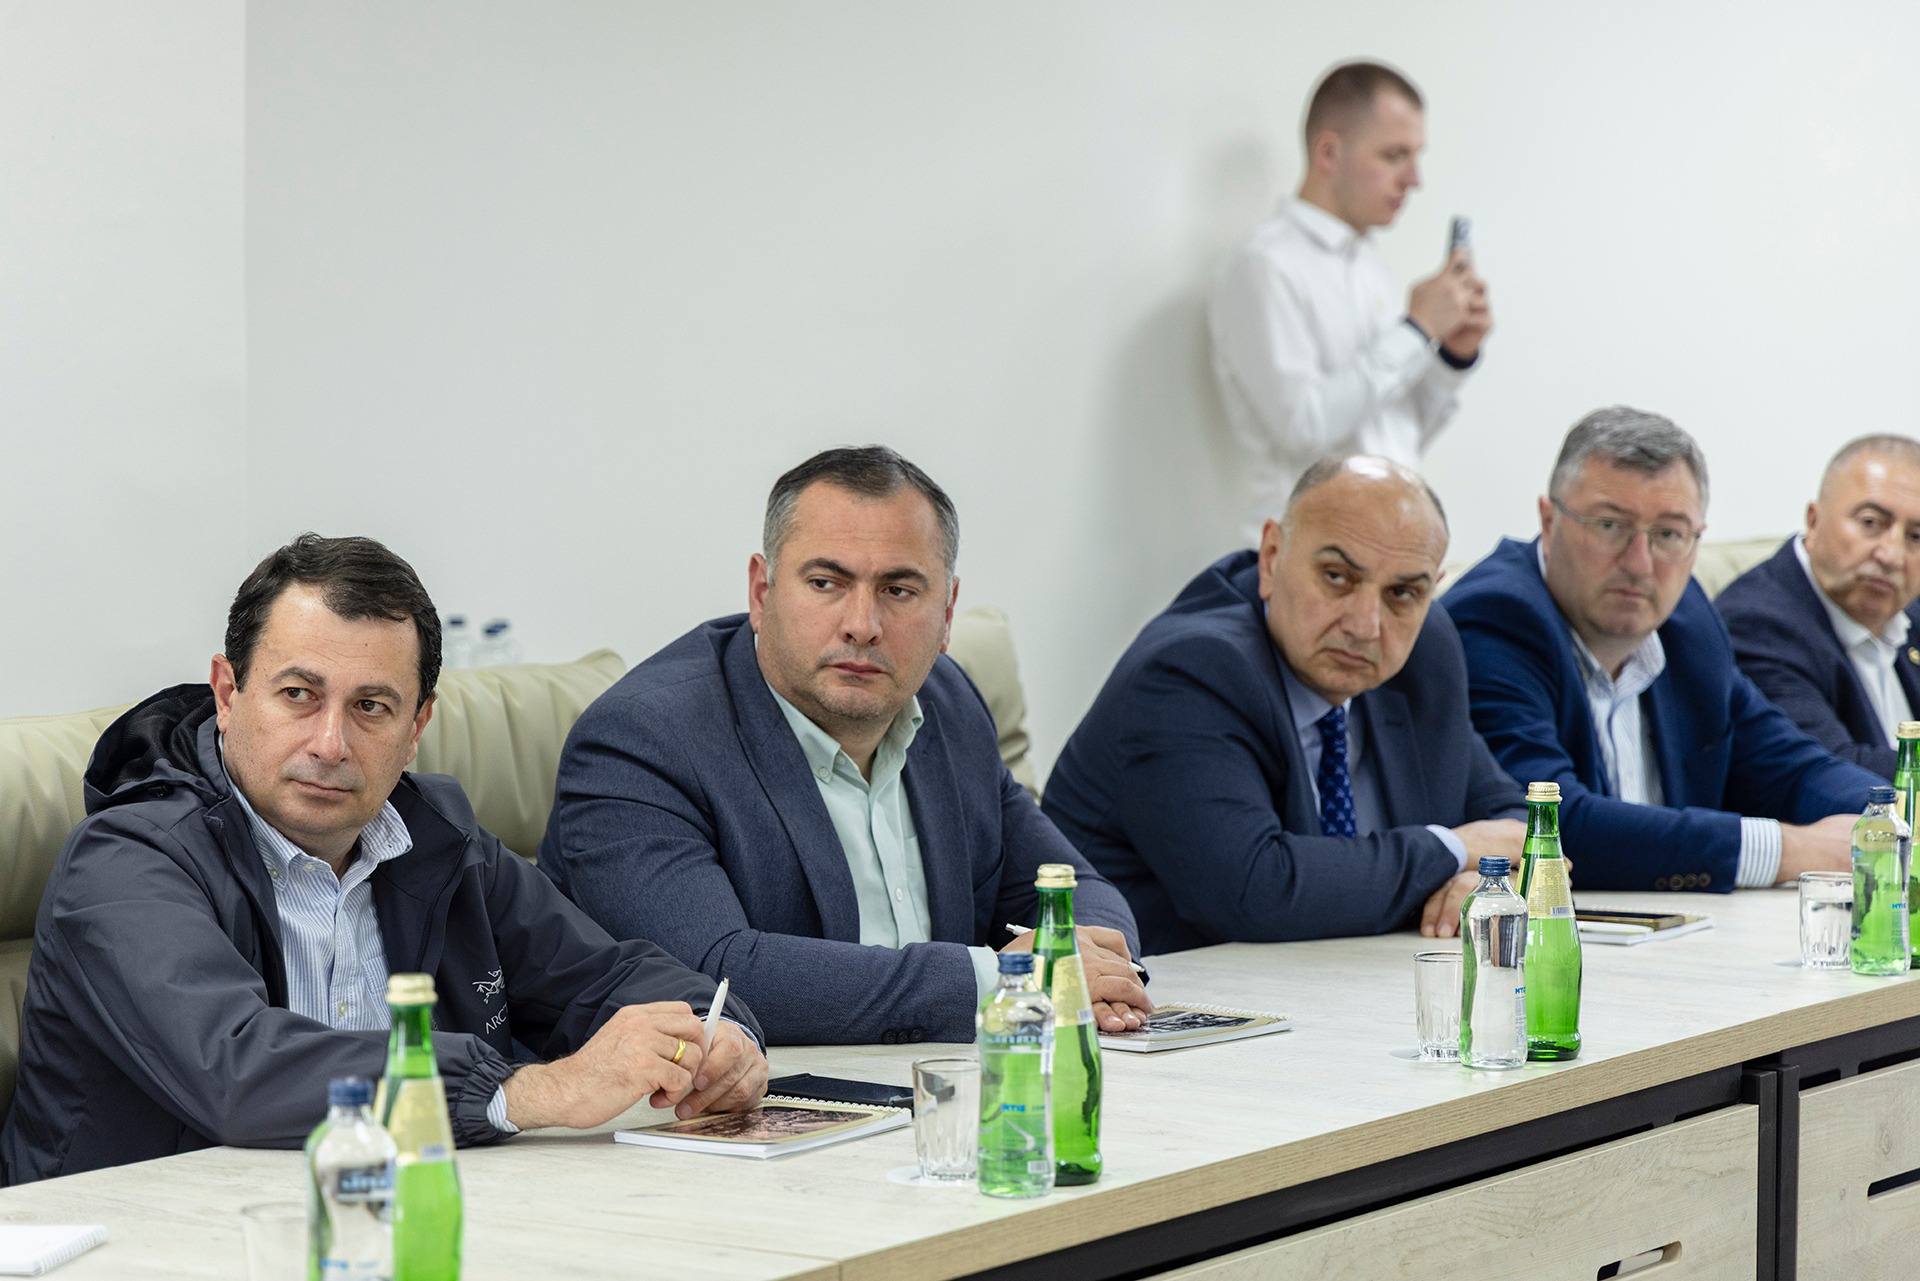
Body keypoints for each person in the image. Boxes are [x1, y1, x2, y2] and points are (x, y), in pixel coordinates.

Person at [2, 536, 767, 1185]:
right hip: (149, 1240)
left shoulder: (440, 841)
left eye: (371, 706)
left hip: (399, 1221)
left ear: (417, 725)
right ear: (228, 693)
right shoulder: (125, 861)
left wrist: (716, 1039)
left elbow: (607, 977)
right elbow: (240, 1072)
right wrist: (526, 1092)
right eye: (298, 693)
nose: (330, 743)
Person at [540, 446, 1149, 1045]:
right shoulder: (641, 740)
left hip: (944, 1081)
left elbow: (1075, 890)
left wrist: (1092, 967)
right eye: (826, 582)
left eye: (899, 590)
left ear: (947, 613)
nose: (862, 624)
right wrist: (1006, 981)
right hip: (735, 1099)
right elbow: (714, 977)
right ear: (761, 592)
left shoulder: (948, 702)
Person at [1041, 455, 1526, 955]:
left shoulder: (1425, 650)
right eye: (1337, 576)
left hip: (1349, 980)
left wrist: (1489, 880)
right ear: (1272, 557)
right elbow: (1259, 892)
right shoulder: (1192, 670)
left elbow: (1517, 823)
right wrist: (1454, 851)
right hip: (1164, 990)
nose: (1366, 626)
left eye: (1402, 592)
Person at [1442, 408, 1883, 892]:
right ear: (1549, 521)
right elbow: (1550, 827)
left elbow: (1789, 766)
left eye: (1669, 534)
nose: (1640, 563)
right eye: (1609, 526)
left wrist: (1886, 815)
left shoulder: (1685, 619)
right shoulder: (1496, 618)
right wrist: (1789, 850)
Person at [1209, 60, 1492, 544]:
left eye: (1416, 156)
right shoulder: (1265, 265)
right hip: (1305, 559)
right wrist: (1417, 331)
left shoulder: (1367, 266)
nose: (1414, 179)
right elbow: (1303, 427)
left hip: (1388, 551)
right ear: (1329, 152)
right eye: (1394, 155)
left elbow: (1394, 436)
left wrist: (1452, 355)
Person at [1717, 435, 1920, 778]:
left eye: (1916, 537)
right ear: (1813, 521)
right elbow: (1828, 771)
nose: (1892, 555)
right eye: (1871, 523)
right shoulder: (1756, 625)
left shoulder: (1909, 613)